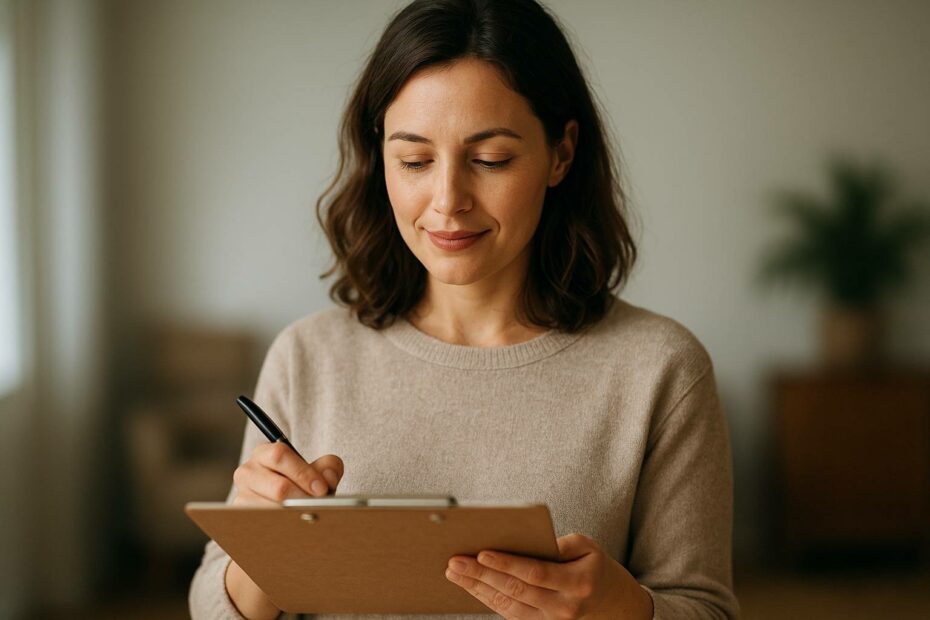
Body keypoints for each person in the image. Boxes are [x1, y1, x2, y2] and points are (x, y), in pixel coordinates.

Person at [190, 0, 740, 618]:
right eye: (415, 161)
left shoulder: (661, 369)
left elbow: (705, 607)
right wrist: (262, 556)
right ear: (380, 158)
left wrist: (625, 609)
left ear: (561, 153)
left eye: (490, 160)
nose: (448, 200)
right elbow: (212, 604)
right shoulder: (306, 357)